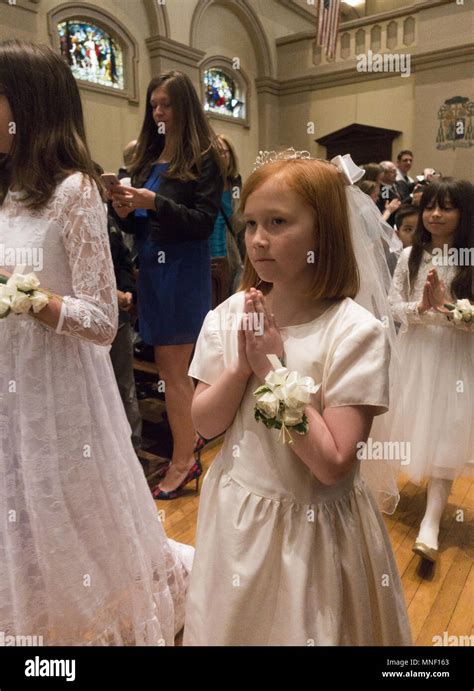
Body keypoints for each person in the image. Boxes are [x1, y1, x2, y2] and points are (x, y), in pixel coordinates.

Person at [0, 39, 190, 645]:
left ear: (25, 106)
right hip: (9, 375)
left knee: (65, 506)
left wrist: (29, 296)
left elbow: (102, 319)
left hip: (54, 382)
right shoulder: (5, 190)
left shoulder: (73, 192)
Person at [183, 155, 412, 646]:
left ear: (322, 234)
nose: (258, 239)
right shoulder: (229, 315)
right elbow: (204, 421)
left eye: (278, 223)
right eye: (251, 224)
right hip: (240, 514)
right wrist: (242, 366)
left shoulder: (353, 333)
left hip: (312, 530)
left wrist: (272, 369)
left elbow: (332, 465)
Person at [110, 70, 224, 499]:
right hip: (154, 270)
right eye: (154, 105)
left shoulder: (205, 157)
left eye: (167, 104)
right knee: (170, 371)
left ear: (185, 107)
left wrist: (153, 201)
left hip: (181, 271)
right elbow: (146, 226)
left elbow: (202, 223)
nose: (158, 112)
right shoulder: (150, 156)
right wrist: (126, 210)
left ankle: (184, 462)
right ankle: (185, 448)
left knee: (174, 374)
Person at [385, 179, 473, 563]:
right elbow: (393, 308)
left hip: (456, 356)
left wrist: (450, 309)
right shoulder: (410, 257)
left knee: (446, 431)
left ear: (464, 213)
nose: (435, 214)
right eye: (430, 207)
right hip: (417, 354)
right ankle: (380, 493)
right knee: (407, 425)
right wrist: (421, 307)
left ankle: (432, 520)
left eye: (447, 207)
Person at [209, 135, 243, 306]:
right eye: (216, 153)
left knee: (231, 306)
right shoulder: (204, 187)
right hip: (207, 256)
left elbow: (241, 225)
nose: (221, 157)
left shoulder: (236, 188)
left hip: (231, 257)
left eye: (224, 152)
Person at [377, 161, 402, 227]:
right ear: (383, 173)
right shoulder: (383, 190)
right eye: (393, 171)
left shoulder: (399, 184)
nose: (396, 174)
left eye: (396, 171)